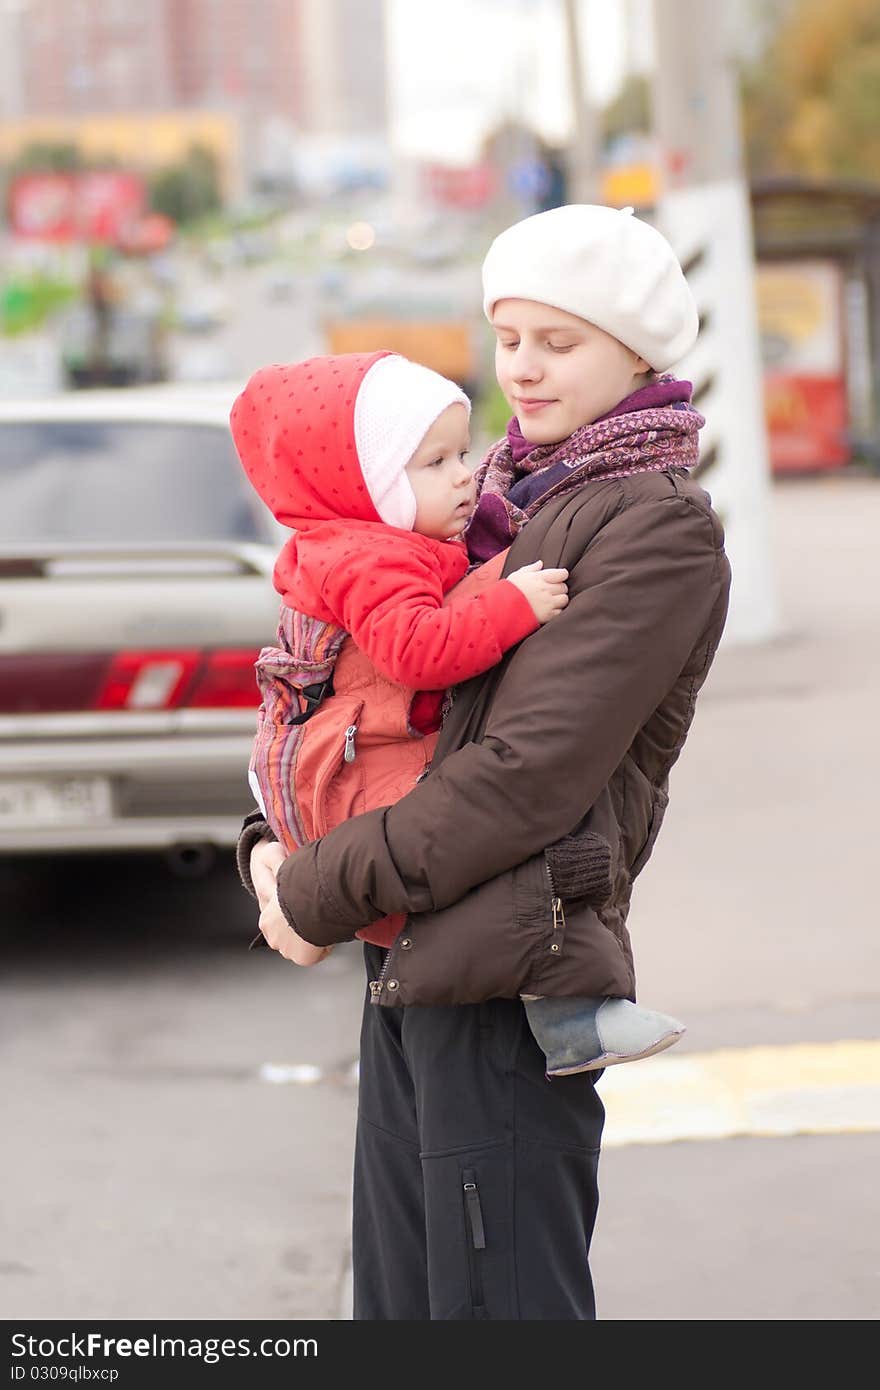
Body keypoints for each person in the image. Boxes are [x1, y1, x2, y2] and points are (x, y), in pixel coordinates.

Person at [242, 204, 732, 1320]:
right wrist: (271, 838)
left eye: (559, 342)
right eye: (509, 337)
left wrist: (311, 890)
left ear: (637, 352)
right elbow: (353, 691)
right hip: (411, 952)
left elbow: (523, 773)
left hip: (513, 971)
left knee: (494, 1309)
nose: (524, 367)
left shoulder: (651, 526)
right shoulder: (493, 496)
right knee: (405, 1302)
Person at [232, 348, 682, 1071]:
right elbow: (417, 650)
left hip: (353, 751)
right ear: (365, 486)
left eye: (462, 453)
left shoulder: (379, 542)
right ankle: (568, 1017)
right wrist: (512, 604)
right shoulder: (367, 558)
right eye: (434, 463)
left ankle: (566, 1012)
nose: (464, 474)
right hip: (364, 763)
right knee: (490, 845)